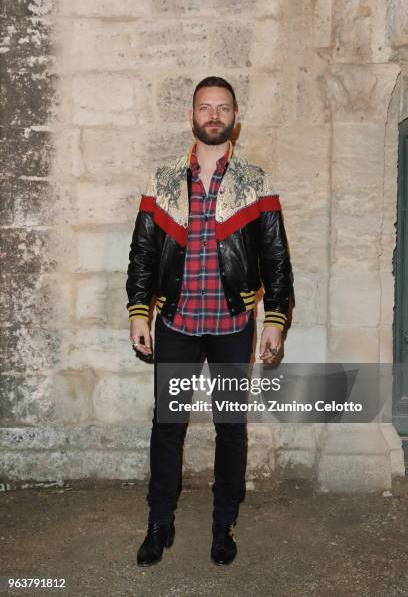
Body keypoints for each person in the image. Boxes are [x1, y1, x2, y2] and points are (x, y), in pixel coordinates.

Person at [126, 76, 294, 567]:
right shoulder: (160, 181)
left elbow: (276, 257)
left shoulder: (255, 182)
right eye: (206, 107)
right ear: (192, 116)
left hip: (232, 324)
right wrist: (140, 311)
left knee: (231, 428)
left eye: (223, 108)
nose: (214, 115)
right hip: (176, 323)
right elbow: (142, 254)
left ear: (234, 119)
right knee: (167, 426)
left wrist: (275, 319)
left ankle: (224, 526)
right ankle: (160, 523)